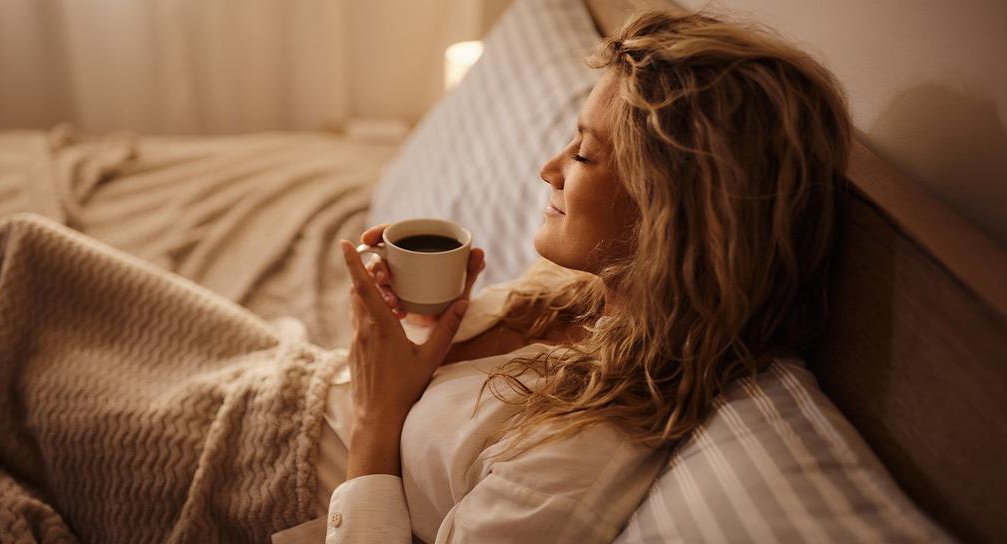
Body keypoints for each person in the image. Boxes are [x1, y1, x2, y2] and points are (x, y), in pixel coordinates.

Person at [311, 8, 852, 543]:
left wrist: (374, 421)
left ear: (671, 211)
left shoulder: (583, 448)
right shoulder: (584, 290)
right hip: (294, 387)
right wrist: (427, 318)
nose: (549, 168)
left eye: (586, 154)